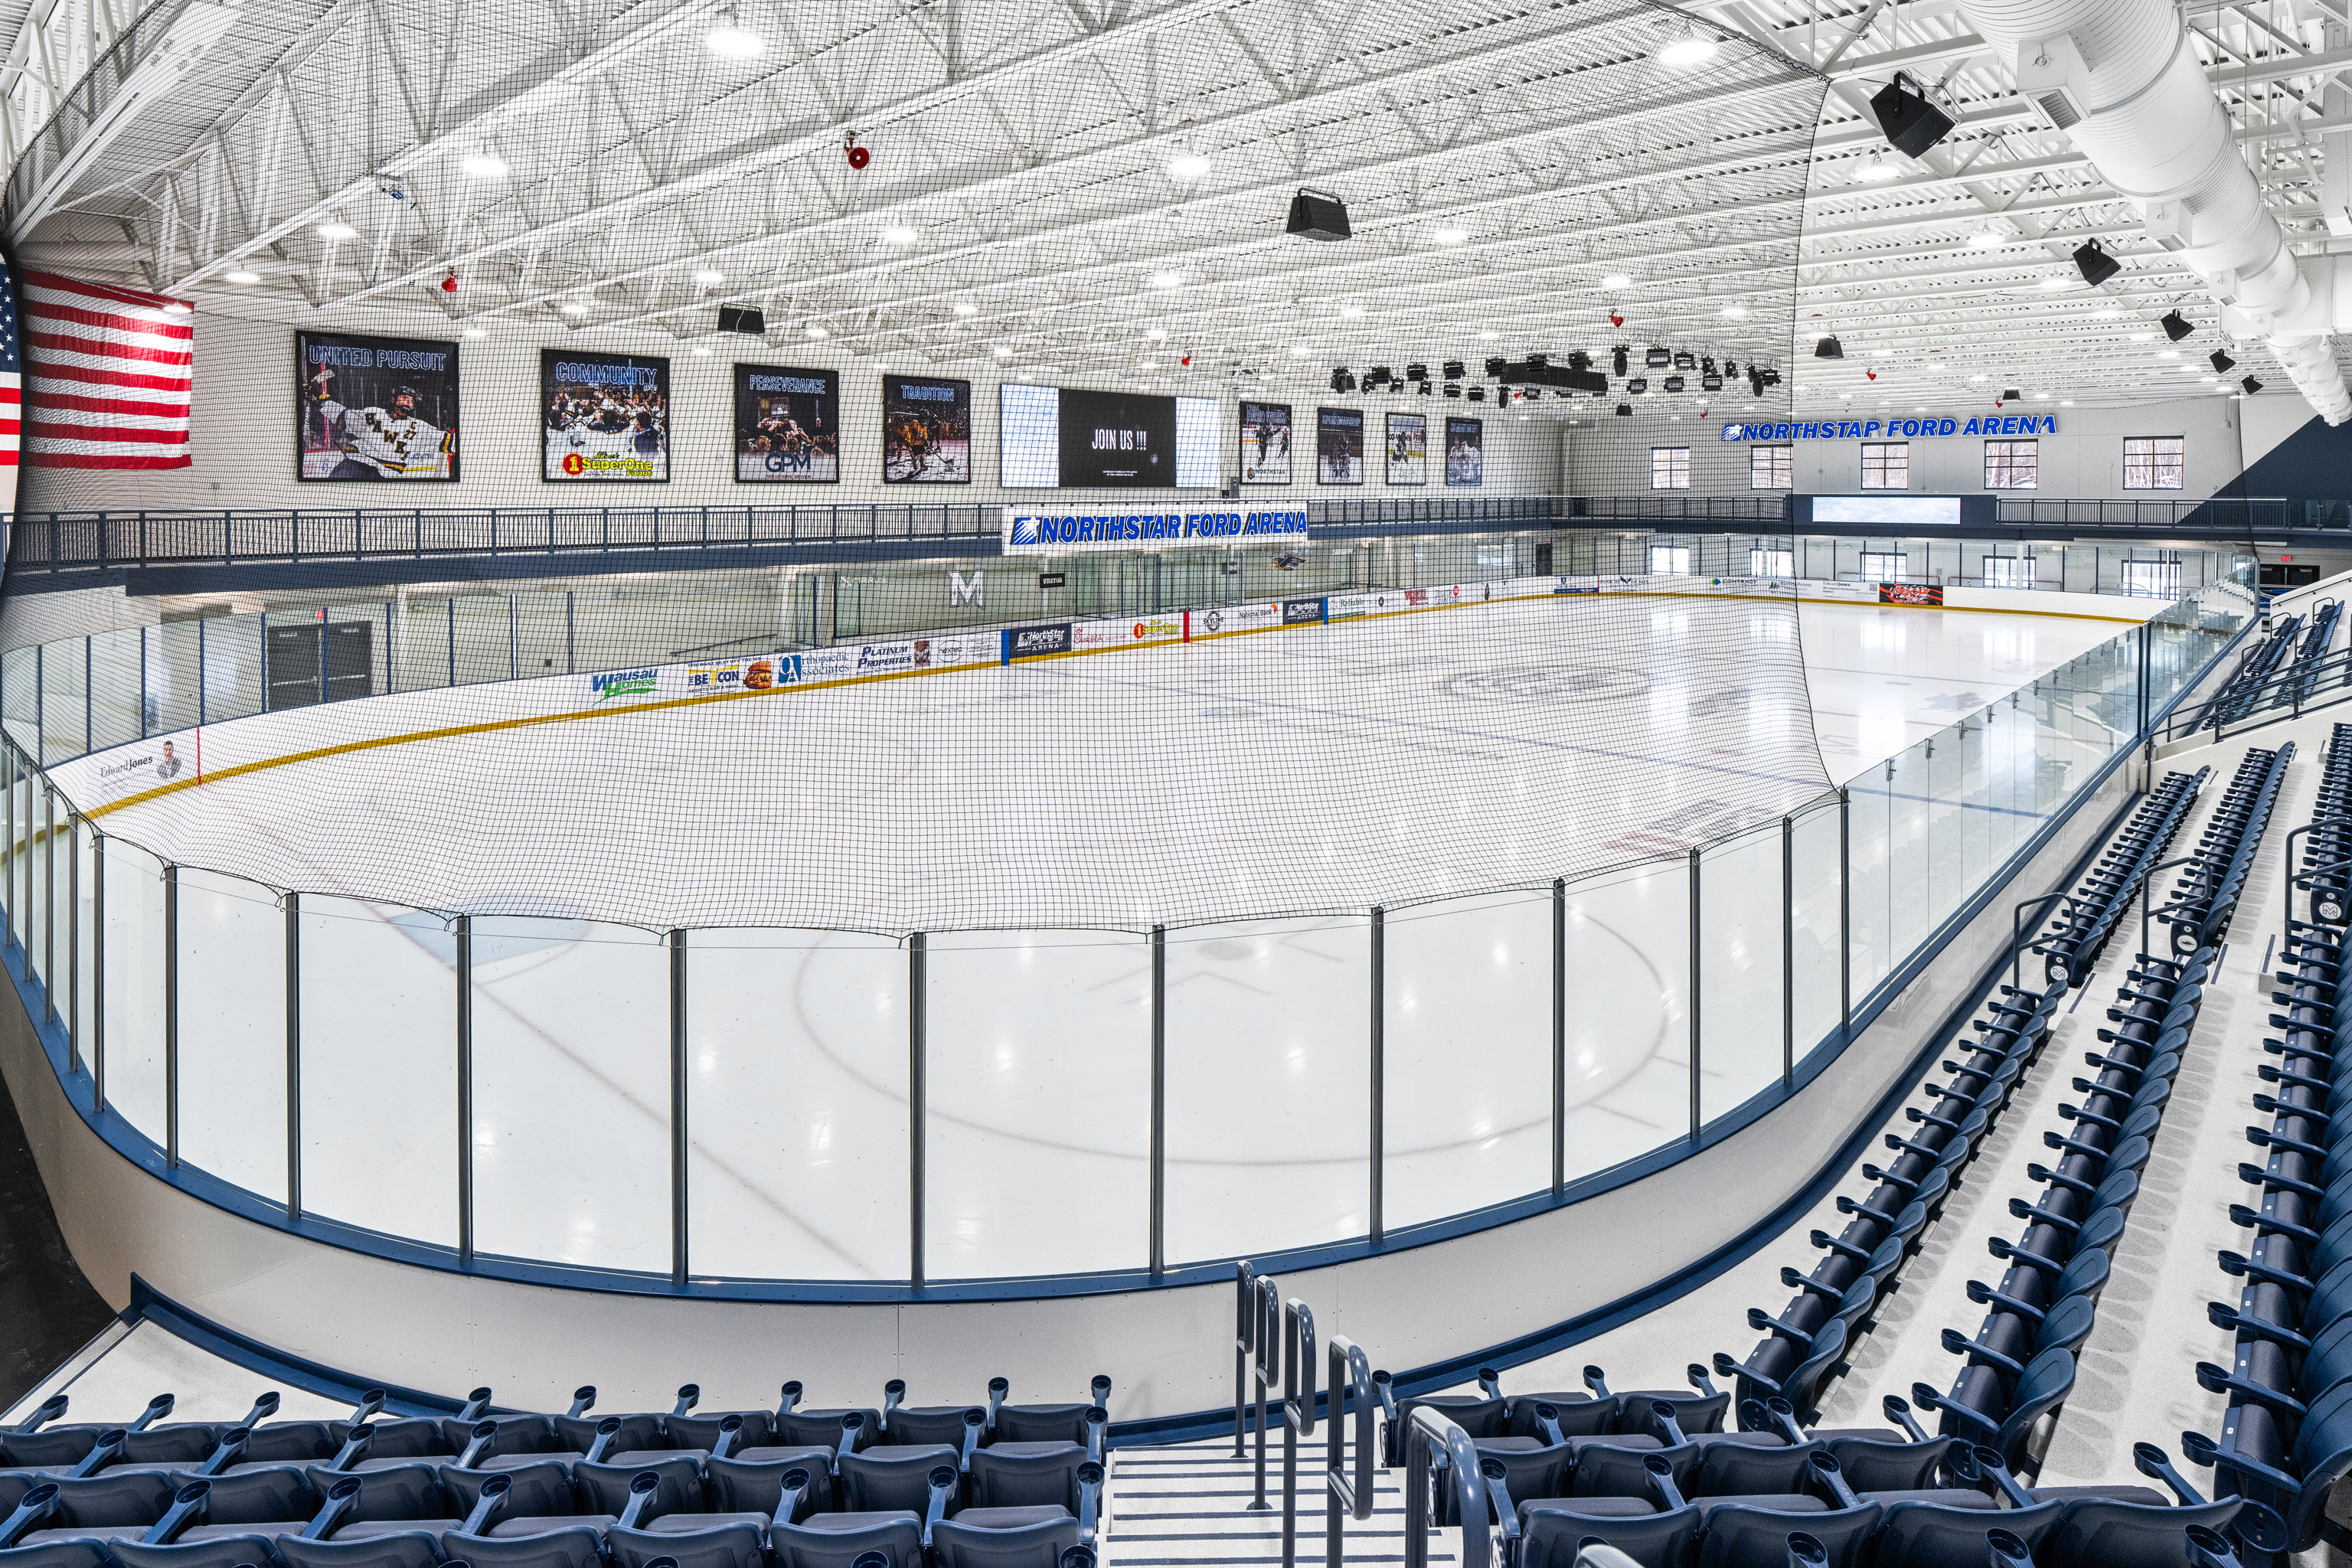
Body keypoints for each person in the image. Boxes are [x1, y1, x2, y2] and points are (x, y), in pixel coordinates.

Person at [313, 370, 450, 479]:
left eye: (411, 401)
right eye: (403, 398)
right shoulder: (373, 413)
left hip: (388, 473)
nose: (407, 403)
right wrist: (322, 401)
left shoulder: (419, 427)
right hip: (357, 464)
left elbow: (448, 441)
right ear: (393, 399)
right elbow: (344, 416)